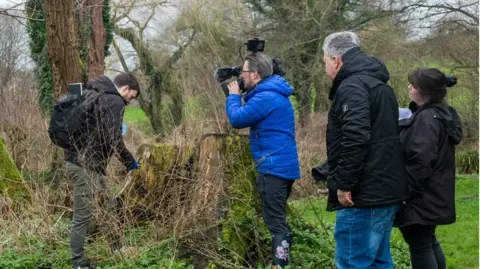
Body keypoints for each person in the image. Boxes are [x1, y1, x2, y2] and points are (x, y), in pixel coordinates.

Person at [321, 31, 408, 269]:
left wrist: (345, 183)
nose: (325, 67)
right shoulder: (378, 84)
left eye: (326, 61)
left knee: (352, 262)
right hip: (384, 190)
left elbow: (356, 136)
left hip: (363, 195)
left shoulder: (352, 86)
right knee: (379, 262)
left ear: (337, 60)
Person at [226, 53, 300, 268]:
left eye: (244, 72)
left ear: (255, 75)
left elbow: (237, 119)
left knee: (276, 224)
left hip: (273, 168)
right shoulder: (273, 92)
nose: (241, 76)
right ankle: (283, 261)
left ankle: (280, 265)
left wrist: (232, 95)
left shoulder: (266, 96)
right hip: (281, 166)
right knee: (278, 220)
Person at [65, 72, 140, 269]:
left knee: (108, 206)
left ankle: (117, 248)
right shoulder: (114, 101)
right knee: (83, 215)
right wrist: (129, 160)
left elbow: (101, 131)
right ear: (125, 89)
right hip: (84, 166)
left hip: (90, 165)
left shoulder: (97, 93)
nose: (129, 102)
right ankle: (78, 263)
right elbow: (113, 138)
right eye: (131, 97)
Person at [394, 68, 463, 269]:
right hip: (434, 192)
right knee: (427, 241)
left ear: (423, 91)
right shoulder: (443, 113)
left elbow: (421, 160)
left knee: (420, 245)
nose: (409, 87)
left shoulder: (426, 119)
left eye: (413, 85)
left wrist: (406, 193)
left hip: (420, 195)